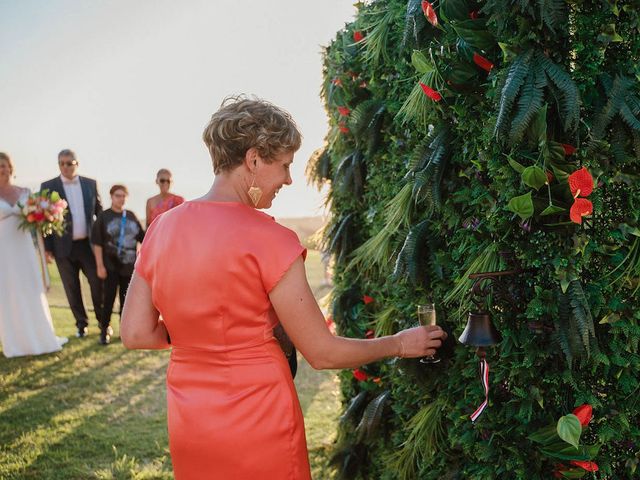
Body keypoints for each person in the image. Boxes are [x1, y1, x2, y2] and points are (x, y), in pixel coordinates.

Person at [120, 96, 446, 479]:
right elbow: (321, 353)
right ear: (254, 159)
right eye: (285, 165)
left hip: (191, 419)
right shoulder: (270, 238)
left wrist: (197, 330)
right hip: (259, 417)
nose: (289, 180)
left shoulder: (162, 228)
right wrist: (401, 343)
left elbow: (136, 333)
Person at [0, 152, 67, 357]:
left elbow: (38, 221)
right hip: (3, 249)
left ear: (11, 168)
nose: (1, 170)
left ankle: (39, 337)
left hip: (24, 248)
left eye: (4, 165)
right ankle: (14, 342)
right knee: (7, 292)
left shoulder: (25, 192)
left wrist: (46, 216)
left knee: (29, 287)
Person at [41, 149, 104, 338]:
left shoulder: (90, 184)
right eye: (61, 163)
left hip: (88, 245)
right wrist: (48, 248)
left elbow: (99, 215)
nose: (65, 167)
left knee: (97, 283)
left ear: (77, 164)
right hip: (62, 248)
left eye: (69, 163)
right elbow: (44, 220)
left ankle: (103, 322)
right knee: (71, 288)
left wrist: (103, 243)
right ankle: (81, 324)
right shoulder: (48, 186)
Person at [92, 185, 145, 345]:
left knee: (126, 301)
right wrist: (100, 265)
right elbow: (97, 243)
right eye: (117, 195)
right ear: (111, 196)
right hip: (110, 266)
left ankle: (124, 331)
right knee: (108, 299)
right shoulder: (104, 217)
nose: (120, 199)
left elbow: (143, 237)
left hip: (128, 267)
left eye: (123, 196)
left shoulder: (130, 216)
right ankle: (104, 330)